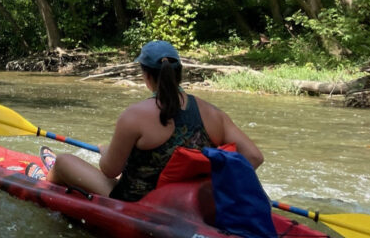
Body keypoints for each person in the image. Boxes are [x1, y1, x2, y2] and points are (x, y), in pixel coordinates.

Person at [45, 39, 263, 201]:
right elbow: (254, 157)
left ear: (146, 76)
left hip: (137, 202)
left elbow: (110, 171)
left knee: (63, 161)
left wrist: (105, 152)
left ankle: (42, 187)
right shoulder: (214, 114)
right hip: (186, 204)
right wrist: (212, 186)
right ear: (179, 74)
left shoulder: (134, 115)